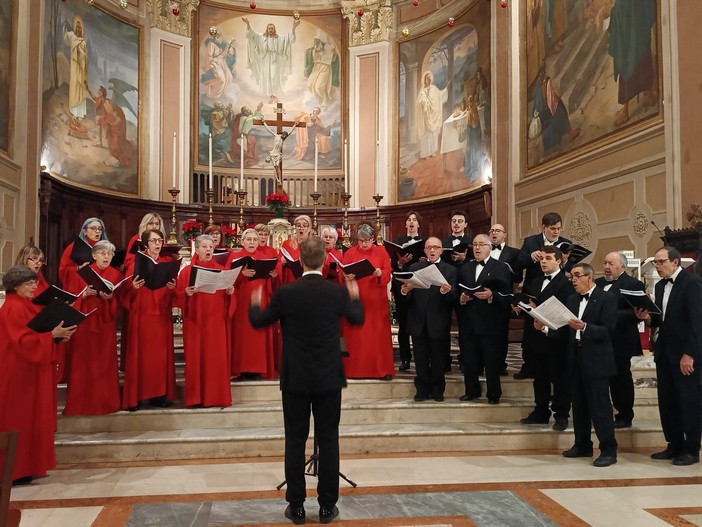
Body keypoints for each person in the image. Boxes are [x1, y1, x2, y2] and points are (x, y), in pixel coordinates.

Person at [249, 236, 364, 525]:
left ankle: (296, 507)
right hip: (328, 376)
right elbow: (357, 318)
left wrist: (254, 304)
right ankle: (327, 507)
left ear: (300, 261)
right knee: (329, 440)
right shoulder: (335, 292)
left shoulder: (286, 293)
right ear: (325, 261)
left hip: (296, 377)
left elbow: (259, 322)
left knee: (295, 440)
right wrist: (354, 294)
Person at [0, 266, 76, 485]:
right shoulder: (12, 309)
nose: (35, 286)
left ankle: (28, 467)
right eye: (29, 283)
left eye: (34, 282)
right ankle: (16, 470)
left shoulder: (26, 306)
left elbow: (38, 333)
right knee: (19, 420)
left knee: (31, 421)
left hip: (30, 373)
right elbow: (23, 342)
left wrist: (57, 335)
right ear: (15, 286)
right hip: (18, 376)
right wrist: (51, 336)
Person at [635, 246, 702, 466]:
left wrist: (689, 354)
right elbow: (661, 320)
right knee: (668, 402)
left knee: (688, 401)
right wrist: (646, 317)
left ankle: (691, 449)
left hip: (684, 355)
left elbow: (697, 323)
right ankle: (673, 444)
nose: (657, 266)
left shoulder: (692, 284)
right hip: (664, 352)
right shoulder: (662, 286)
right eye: (655, 262)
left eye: (660, 261)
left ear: (675, 262)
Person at [557, 263, 618, 467]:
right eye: (571, 276)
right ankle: (582, 444)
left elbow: (609, 330)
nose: (573, 279)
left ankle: (609, 449)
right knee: (579, 406)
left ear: (589, 277)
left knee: (600, 407)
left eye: (577, 275)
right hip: (575, 360)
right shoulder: (572, 299)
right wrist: (544, 327)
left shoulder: (607, 298)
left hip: (598, 360)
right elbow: (565, 330)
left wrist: (585, 327)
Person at [175, 234, 235, 408]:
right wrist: (186, 293)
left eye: (211, 247)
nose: (208, 249)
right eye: (204, 247)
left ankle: (216, 397)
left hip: (215, 323)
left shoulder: (222, 271)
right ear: (197, 249)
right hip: (195, 322)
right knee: (196, 359)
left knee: (215, 360)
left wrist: (230, 293)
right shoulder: (187, 272)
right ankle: (195, 398)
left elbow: (229, 301)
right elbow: (177, 298)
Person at [63, 240, 123, 416]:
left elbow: (118, 303)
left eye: (110, 254)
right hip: (85, 323)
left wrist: (110, 298)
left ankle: (105, 403)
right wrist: (84, 295)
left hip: (105, 324)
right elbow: (70, 299)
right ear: (94, 255)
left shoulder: (116, 274)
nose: (106, 256)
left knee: (104, 364)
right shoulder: (81, 273)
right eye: (103, 253)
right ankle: (80, 404)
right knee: (83, 363)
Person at [121, 229, 178, 411]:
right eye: (154, 241)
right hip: (141, 316)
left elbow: (173, 296)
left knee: (159, 358)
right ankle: (136, 397)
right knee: (140, 356)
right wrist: (134, 288)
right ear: (145, 244)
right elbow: (124, 293)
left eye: (160, 240)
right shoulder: (135, 264)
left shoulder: (166, 263)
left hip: (161, 316)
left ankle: (158, 395)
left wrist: (171, 288)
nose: (158, 244)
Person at [519, 245, 574, 430]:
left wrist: (538, 309)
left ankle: (561, 415)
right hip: (537, 336)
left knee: (559, 378)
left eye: (548, 258)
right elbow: (530, 301)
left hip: (556, 338)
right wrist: (523, 307)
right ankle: (541, 411)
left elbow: (565, 311)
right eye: (542, 258)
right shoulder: (535, 280)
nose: (543, 261)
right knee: (539, 377)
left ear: (558, 261)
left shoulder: (566, 284)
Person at [515, 212, 572, 380]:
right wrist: (531, 257)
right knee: (530, 332)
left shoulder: (566, 244)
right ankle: (528, 367)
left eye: (558, 229)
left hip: (556, 289)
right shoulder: (531, 241)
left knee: (551, 333)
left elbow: (570, 268)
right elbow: (519, 263)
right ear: (544, 228)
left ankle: (551, 369)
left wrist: (566, 261)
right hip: (534, 288)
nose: (556, 232)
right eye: (552, 229)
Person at [457, 234, 513, 404]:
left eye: (482, 244)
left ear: (490, 247)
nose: (477, 248)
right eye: (475, 244)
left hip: (490, 322)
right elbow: (458, 290)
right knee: (470, 359)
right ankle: (471, 390)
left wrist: (491, 295)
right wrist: (461, 298)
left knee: (491, 360)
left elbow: (507, 294)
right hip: (469, 321)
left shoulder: (500, 267)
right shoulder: (465, 268)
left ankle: (493, 394)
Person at [400, 237, 457, 402]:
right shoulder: (415, 267)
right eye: (429, 247)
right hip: (418, 320)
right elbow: (406, 297)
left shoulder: (450, 270)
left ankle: (438, 389)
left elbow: (454, 298)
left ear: (441, 250)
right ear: (424, 250)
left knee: (439, 357)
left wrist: (447, 292)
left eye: (435, 247)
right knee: (420, 357)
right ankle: (422, 389)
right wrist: (405, 291)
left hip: (438, 320)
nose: (432, 250)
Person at [595, 251, 645, 428]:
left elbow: (636, 313)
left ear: (623, 266)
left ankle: (624, 414)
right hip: (599, 338)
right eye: (605, 263)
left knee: (620, 378)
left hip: (621, 339)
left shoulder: (633, 284)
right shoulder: (598, 283)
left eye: (612, 264)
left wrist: (607, 315)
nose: (607, 267)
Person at [341, 224, 394, 380]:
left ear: (373, 238)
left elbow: (388, 273)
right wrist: (346, 277)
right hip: (356, 298)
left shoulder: (381, 251)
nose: (364, 244)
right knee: (356, 337)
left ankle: (381, 370)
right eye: (361, 240)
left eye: (367, 240)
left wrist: (380, 273)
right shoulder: (350, 252)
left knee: (377, 337)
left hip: (376, 302)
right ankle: (353, 370)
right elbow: (343, 272)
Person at [231, 228, 277, 380]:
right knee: (243, 337)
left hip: (260, 301)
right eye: (248, 239)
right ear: (242, 241)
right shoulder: (235, 257)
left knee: (258, 336)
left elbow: (272, 285)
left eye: (254, 240)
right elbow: (226, 282)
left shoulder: (264, 258)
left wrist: (273, 276)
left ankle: (257, 369)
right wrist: (240, 274)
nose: (252, 242)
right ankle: (242, 369)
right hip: (241, 302)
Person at [608, 0, 657, 127]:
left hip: (631, 28)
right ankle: (648, 93)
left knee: (629, 62)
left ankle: (626, 111)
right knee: (641, 55)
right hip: (634, 26)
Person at [440, 210, 473, 371]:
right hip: (446, 287)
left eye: (460, 221)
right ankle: (444, 360)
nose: (456, 224)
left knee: (465, 326)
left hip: (464, 287)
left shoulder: (472, 243)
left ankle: (465, 359)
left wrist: (464, 259)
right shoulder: (443, 242)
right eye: (454, 221)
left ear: (465, 224)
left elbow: (475, 265)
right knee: (443, 324)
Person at [488, 223, 522, 375]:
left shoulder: (513, 253)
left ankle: (500, 364)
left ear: (505, 234)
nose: (494, 233)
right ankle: (485, 363)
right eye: (492, 230)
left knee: (501, 332)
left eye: (498, 231)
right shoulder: (484, 249)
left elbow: (518, 277)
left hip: (502, 296)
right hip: (484, 296)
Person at [391, 212, 423, 372]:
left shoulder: (425, 242)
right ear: (405, 224)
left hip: (419, 288)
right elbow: (393, 266)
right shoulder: (398, 242)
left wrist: (424, 262)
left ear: (419, 224)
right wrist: (400, 262)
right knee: (403, 325)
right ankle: (405, 359)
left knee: (419, 324)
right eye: (409, 219)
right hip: (402, 287)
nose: (411, 222)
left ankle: (421, 358)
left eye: (414, 220)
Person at [242, 17, 300, 101]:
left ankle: (274, 94)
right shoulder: (262, 38)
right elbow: (252, 35)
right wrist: (248, 24)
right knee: (267, 76)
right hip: (265, 59)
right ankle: (270, 95)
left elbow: (288, 38)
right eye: (269, 28)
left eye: (272, 28)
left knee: (274, 76)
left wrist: (294, 28)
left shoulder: (279, 38)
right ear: (267, 29)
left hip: (275, 59)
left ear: (274, 29)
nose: (270, 30)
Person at [59, 217, 109, 294]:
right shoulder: (72, 247)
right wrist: (78, 268)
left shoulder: (107, 249)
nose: (97, 231)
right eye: (93, 228)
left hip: (101, 289)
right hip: (79, 289)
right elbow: (63, 271)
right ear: (84, 231)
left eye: (100, 229)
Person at [416, 71, 448, 159]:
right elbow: (420, 102)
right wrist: (424, 102)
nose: (429, 80)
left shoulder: (434, 88)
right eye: (427, 78)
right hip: (426, 116)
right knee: (427, 135)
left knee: (433, 134)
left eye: (430, 78)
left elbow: (440, 95)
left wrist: (446, 89)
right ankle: (426, 153)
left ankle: (432, 151)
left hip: (433, 116)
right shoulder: (422, 91)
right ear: (424, 80)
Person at [62, 14, 88, 119]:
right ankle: (73, 111)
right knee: (74, 87)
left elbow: (85, 58)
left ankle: (80, 114)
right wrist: (64, 25)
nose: (78, 28)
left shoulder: (83, 43)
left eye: (79, 27)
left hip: (81, 69)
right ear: (74, 27)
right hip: (74, 68)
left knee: (81, 90)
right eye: (76, 26)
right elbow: (65, 38)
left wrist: (81, 53)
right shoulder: (72, 36)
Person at [304, 36, 340, 109]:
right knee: (309, 85)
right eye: (315, 44)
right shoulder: (313, 51)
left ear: (321, 43)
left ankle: (325, 101)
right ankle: (319, 101)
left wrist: (334, 52)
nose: (316, 45)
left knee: (319, 87)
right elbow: (309, 55)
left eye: (318, 43)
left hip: (325, 68)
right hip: (316, 68)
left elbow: (334, 59)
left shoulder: (328, 49)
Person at [226, 103, 264, 167]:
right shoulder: (246, 119)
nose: (250, 111)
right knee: (252, 139)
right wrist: (258, 110)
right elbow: (256, 119)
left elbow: (252, 117)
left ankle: (247, 156)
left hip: (239, 136)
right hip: (241, 137)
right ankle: (249, 157)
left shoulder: (241, 117)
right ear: (246, 112)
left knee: (251, 138)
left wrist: (258, 110)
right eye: (249, 110)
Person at [278, 215, 312, 285]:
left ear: (309, 228)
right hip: (290, 280)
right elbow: (278, 262)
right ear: (295, 228)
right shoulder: (287, 244)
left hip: (307, 279)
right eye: (298, 226)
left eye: (305, 226)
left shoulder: (313, 244)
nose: (301, 228)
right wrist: (282, 262)